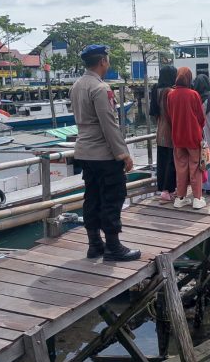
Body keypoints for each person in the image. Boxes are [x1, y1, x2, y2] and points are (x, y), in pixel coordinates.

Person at [70, 44, 140, 262]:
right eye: (107, 59)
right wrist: (123, 154)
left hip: (84, 150)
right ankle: (113, 246)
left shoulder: (77, 85)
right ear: (102, 61)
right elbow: (109, 124)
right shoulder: (101, 89)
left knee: (92, 197)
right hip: (103, 153)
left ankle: (94, 244)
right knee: (112, 197)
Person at [167, 67, 207, 209]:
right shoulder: (194, 94)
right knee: (195, 167)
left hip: (177, 137)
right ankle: (197, 198)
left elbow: (170, 116)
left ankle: (180, 198)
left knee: (181, 168)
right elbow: (201, 118)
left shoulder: (170, 95)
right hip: (192, 136)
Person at [149, 65, 177, 202]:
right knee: (171, 161)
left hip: (160, 128)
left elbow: (153, 112)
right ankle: (168, 190)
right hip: (171, 129)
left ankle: (162, 188)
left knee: (162, 160)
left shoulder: (155, 89)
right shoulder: (171, 91)